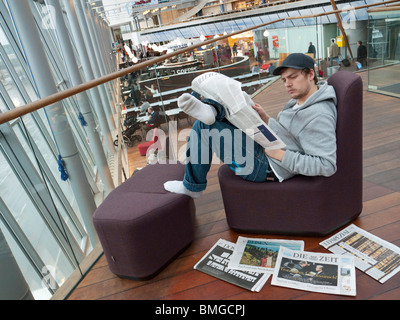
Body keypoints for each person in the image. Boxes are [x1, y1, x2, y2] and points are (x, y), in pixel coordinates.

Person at [164, 53, 338, 199]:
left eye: (293, 77)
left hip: (266, 167)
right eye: (284, 79)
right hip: (267, 147)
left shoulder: (319, 115)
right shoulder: (302, 100)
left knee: (205, 127)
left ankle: (192, 187)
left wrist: (280, 155)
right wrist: (267, 119)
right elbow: (292, 136)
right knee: (232, 106)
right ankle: (213, 108)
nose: (287, 84)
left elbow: (326, 165)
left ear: (311, 75)